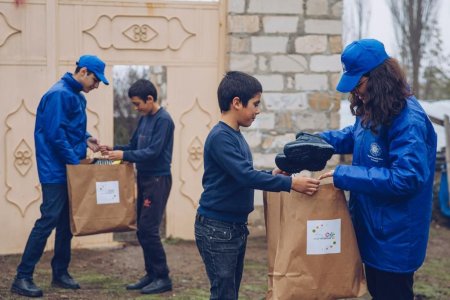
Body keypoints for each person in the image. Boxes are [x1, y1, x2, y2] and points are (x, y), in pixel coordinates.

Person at [317, 39, 437, 300]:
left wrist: (344, 175)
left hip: (395, 239)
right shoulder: (377, 108)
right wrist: (318, 141)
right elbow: (357, 136)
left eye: (358, 84)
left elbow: (405, 178)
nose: (357, 93)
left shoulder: (408, 120)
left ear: (379, 77)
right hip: (374, 231)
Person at [195, 71, 320, 300]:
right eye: (255, 104)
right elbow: (245, 176)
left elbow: (243, 174)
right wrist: (291, 183)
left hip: (233, 227)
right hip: (217, 229)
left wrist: (273, 174)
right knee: (224, 293)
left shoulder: (235, 135)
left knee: (230, 292)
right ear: (236, 103)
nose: (258, 110)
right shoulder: (221, 137)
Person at [11, 55, 109, 298]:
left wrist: (88, 139)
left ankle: (60, 272)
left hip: (66, 167)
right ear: (84, 71)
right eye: (95, 80)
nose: (96, 86)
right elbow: (56, 136)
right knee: (48, 220)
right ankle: (22, 277)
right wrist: (76, 164)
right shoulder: (59, 94)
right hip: (56, 171)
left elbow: (69, 129)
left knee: (66, 221)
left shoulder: (75, 95)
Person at [100, 79, 175, 295]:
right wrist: (113, 149)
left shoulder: (164, 120)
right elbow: (133, 147)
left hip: (158, 180)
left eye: (137, 103)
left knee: (149, 230)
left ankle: (163, 277)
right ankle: (151, 274)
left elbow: (153, 152)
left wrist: (123, 155)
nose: (136, 108)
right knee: (142, 230)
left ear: (150, 99)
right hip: (143, 178)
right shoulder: (144, 119)